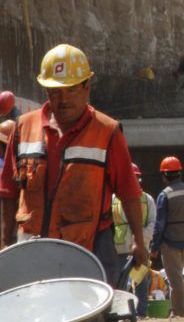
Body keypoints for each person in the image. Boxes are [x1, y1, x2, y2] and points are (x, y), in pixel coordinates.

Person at [0, 44, 149, 285]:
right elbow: (8, 190)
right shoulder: (23, 128)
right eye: (55, 91)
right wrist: (6, 240)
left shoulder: (107, 132)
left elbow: (128, 191)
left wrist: (138, 242)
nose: (63, 99)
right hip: (31, 248)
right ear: (46, 91)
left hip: (87, 249)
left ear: (86, 87)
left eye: (71, 90)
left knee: (87, 318)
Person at [150, 155, 184, 318]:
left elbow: (160, 224)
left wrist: (154, 246)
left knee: (175, 279)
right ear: (179, 173)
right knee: (177, 276)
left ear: (165, 176)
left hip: (170, 242)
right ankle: (177, 310)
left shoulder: (164, 195)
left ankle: (179, 312)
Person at [113, 163, 158, 316]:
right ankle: (121, 312)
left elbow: (152, 223)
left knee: (141, 282)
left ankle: (141, 313)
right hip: (120, 248)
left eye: (137, 178)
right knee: (120, 283)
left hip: (141, 248)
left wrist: (141, 241)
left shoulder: (147, 200)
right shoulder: (114, 199)